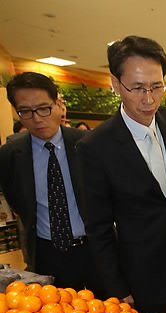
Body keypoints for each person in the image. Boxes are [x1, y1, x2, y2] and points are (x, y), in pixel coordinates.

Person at [78, 35, 166, 313]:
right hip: (143, 269)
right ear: (115, 83)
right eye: (137, 88)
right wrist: (117, 287)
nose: (149, 99)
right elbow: (98, 226)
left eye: (157, 86)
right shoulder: (95, 146)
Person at [0, 72, 101, 294]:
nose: (37, 118)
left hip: (95, 249)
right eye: (26, 111)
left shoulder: (89, 144)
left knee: (110, 310)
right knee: (54, 312)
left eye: (43, 108)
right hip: (48, 253)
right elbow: (16, 201)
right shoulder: (10, 155)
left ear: (58, 105)